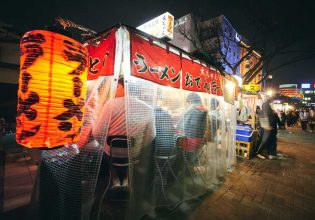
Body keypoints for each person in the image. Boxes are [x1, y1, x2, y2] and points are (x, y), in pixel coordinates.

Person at [93, 76, 155, 187]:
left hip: (111, 155)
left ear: (124, 87)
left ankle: (114, 181)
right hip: (133, 155)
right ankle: (126, 181)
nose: (115, 90)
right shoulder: (148, 108)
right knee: (128, 161)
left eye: (117, 87)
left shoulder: (110, 104)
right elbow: (151, 135)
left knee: (100, 154)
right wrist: (138, 146)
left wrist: (106, 145)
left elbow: (97, 132)